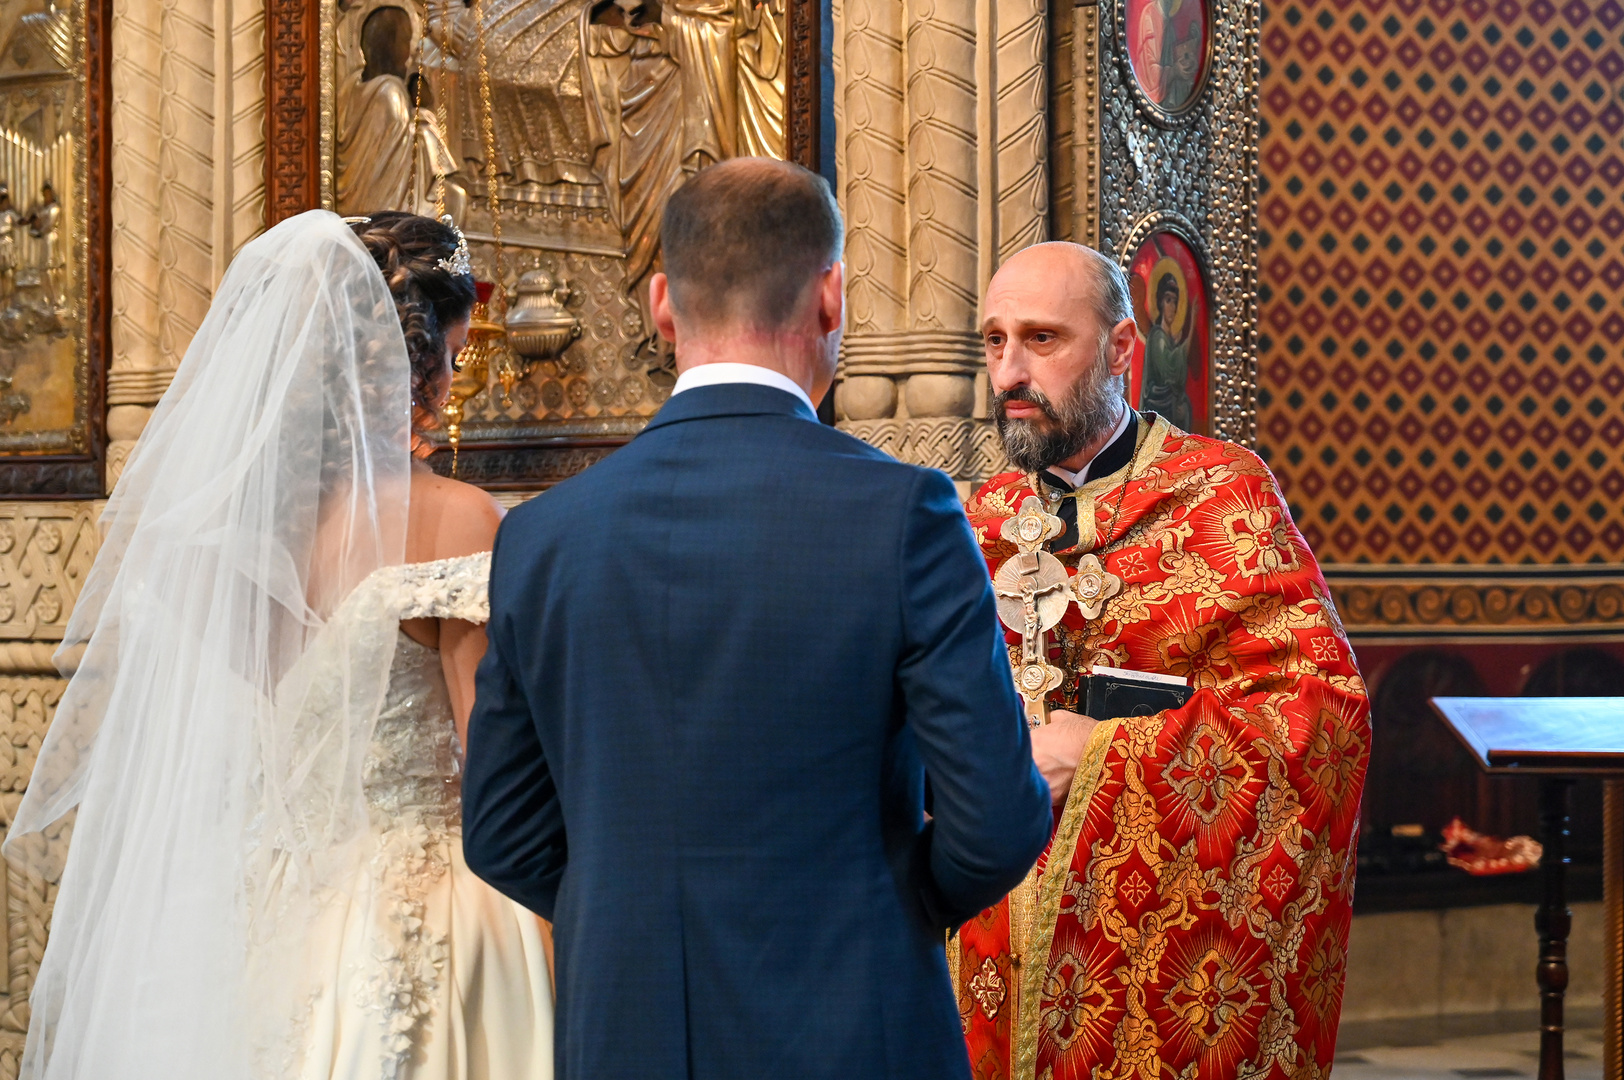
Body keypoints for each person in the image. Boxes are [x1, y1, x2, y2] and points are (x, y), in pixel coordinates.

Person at [461, 157, 1053, 1080]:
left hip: (626, 1028)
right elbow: (998, 821)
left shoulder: (541, 536)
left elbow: (501, 830)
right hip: (856, 1023)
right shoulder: (906, 516)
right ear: (831, 297)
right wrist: (883, 904)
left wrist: (629, 909)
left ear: (661, 303)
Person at [3, 210, 553, 1079]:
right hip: (439, 910)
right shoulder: (459, 518)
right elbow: (495, 766)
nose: (454, 385)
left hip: (285, 914)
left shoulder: (243, 544)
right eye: (451, 360)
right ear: (411, 372)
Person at [950, 241, 1370, 1078]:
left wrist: (1100, 753)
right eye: (994, 342)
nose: (1008, 374)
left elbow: (1323, 719)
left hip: (1159, 954)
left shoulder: (1222, 496)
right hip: (989, 944)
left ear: (1119, 349)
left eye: (1041, 340)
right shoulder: (969, 520)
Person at [1138, 269, 1193, 430]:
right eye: (1168, 300)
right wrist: (1193, 325)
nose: (1173, 307)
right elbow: (1169, 373)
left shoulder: (1168, 339)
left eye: (1175, 301)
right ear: (1160, 303)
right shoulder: (1158, 338)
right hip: (1159, 412)